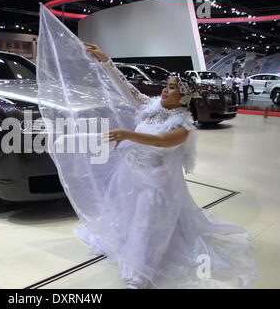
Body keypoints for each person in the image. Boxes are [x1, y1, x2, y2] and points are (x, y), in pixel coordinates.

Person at [77, 42, 256, 289]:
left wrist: (128, 135)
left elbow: (161, 141)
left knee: (146, 225)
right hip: (131, 175)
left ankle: (138, 275)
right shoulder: (150, 108)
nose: (164, 90)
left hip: (157, 184)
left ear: (183, 97)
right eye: (166, 85)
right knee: (129, 215)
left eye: (171, 88)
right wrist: (106, 61)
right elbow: (126, 87)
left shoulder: (182, 127)